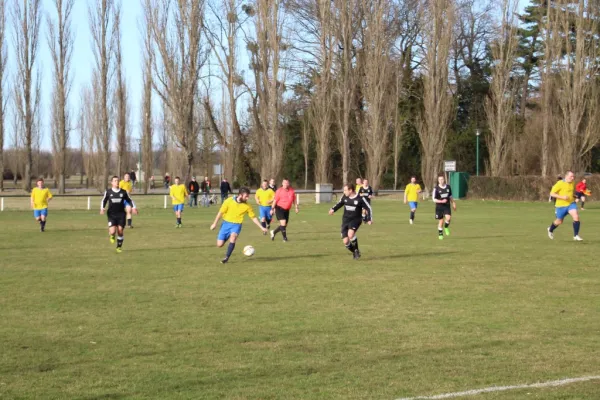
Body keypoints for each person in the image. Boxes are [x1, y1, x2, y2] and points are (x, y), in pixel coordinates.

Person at [210, 187, 268, 264]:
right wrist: (215, 223)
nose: (247, 198)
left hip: (237, 225)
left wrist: (261, 227)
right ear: (240, 195)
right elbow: (220, 212)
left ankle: (226, 257)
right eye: (246, 196)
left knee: (233, 237)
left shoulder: (247, 206)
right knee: (219, 244)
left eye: (248, 196)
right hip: (226, 224)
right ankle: (228, 237)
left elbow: (253, 218)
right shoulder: (229, 201)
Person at [329, 184, 373, 259]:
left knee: (350, 234)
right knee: (345, 241)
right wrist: (333, 209)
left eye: (345, 190)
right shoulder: (345, 197)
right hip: (345, 220)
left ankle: (356, 251)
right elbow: (339, 204)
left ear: (350, 190)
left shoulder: (360, 198)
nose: (344, 191)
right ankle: (355, 252)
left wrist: (369, 218)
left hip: (356, 219)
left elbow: (368, 207)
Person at [101, 176, 138, 253]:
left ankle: (119, 247)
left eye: (117, 180)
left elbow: (129, 200)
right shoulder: (108, 192)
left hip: (121, 214)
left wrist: (134, 207)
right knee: (113, 231)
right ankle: (112, 235)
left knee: (120, 230)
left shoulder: (123, 192)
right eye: (115, 181)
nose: (117, 182)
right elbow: (104, 200)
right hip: (111, 214)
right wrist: (102, 208)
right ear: (112, 183)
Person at [548, 171, 582, 241]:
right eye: (571, 176)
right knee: (559, 221)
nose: (572, 178)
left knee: (576, 216)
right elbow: (552, 193)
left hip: (571, 204)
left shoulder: (572, 183)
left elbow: (569, 192)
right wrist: (562, 197)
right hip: (561, 206)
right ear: (566, 176)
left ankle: (576, 235)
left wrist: (575, 197)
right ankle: (550, 229)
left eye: (573, 177)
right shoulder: (560, 183)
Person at [432, 174, 457, 240]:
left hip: (446, 206)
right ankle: (440, 233)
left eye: (442, 179)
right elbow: (434, 199)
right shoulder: (436, 189)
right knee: (441, 221)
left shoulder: (448, 187)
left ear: (444, 180)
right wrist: (441, 201)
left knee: (448, 218)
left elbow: (450, 196)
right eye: (439, 179)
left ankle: (446, 227)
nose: (441, 181)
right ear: (438, 180)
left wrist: (453, 203)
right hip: (439, 207)